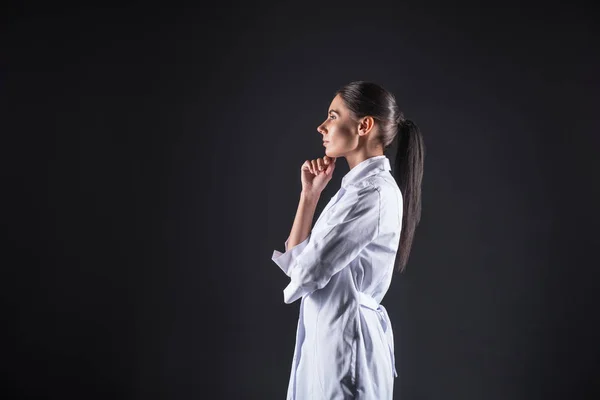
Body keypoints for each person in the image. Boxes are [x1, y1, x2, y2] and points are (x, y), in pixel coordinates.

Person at [271, 80, 425, 399]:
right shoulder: (352, 191)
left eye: (332, 116)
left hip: (346, 344)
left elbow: (306, 272)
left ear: (364, 125)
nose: (321, 126)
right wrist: (309, 196)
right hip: (328, 336)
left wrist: (303, 271)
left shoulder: (373, 193)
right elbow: (297, 265)